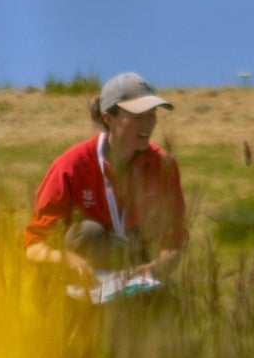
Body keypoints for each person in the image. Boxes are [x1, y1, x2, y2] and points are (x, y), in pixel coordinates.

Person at [23, 72, 186, 281]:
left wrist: (156, 268)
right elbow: (34, 246)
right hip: (80, 280)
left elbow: (173, 241)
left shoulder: (164, 167)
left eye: (152, 114)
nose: (148, 124)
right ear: (108, 117)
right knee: (88, 233)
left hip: (137, 272)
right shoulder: (70, 167)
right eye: (138, 117)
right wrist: (66, 260)